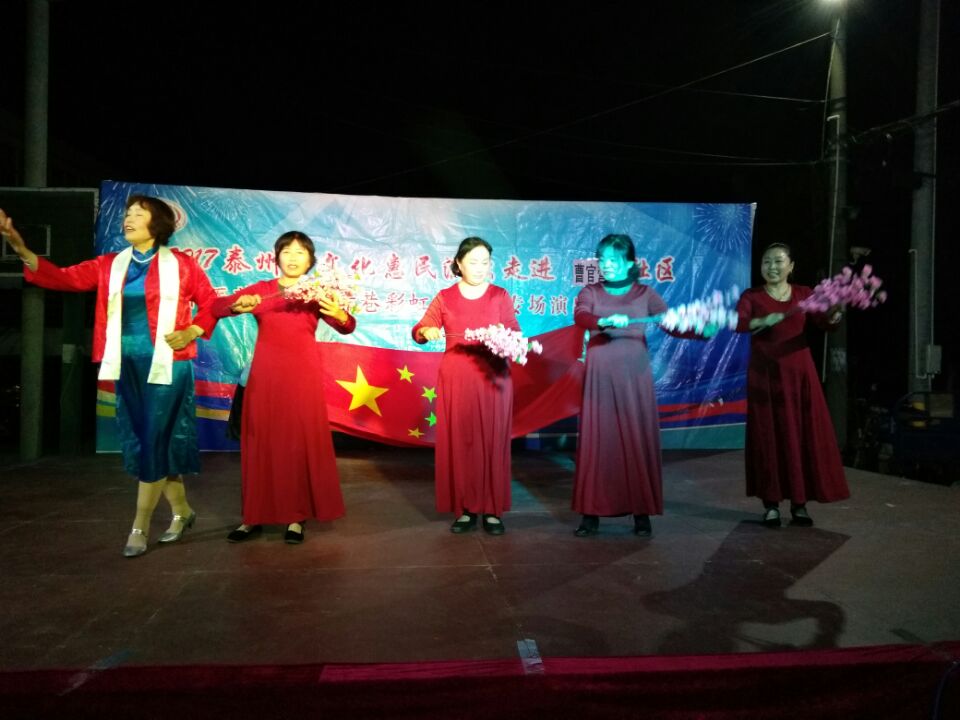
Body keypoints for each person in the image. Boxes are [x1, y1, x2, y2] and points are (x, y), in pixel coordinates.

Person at [0, 196, 219, 557]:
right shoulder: (109, 265)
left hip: (167, 365)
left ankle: (139, 526)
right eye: (127, 213)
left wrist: (192, 330)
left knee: (153, 440)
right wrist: (19, 247)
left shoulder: (182, 265)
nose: (128, 219)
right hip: (127, 366)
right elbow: (63, 278)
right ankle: (182, 513)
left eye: (138, 214)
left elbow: (211, 303)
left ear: (157, 223)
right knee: (151, 443)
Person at [212, 231, 355, 544]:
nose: (293, 257)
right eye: (287, 251)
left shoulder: (316, 290)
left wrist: (340, 314)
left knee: (296, 444)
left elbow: (347, 326)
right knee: (260, 441)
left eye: (301, 252)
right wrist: (237, 305)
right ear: (276, 256)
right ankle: (253, 517)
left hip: (302, 375)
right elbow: (217, 307)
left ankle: (296, 517)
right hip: (265, 375)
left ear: (310, 260)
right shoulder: (263, 289)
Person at [571, 234, 711, 538]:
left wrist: (701, 329)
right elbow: (581, 316)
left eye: (614, 260)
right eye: (602, 259)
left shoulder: (645, 294)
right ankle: (590, 512)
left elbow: (671, 323)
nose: (606, 265)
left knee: (635, 439)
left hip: (634, 378)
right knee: (599, 442)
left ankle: (641, 511)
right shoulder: (590, 292)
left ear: (629, 263)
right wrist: (605, 321)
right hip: (599, 377)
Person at [735, 242, 850, 527]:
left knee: (800, 436)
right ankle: (771, 504)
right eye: (766, 262)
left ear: (791, 266)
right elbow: (739, 323)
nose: (772, 267)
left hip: (800, 377)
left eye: (778, 261)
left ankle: (800, 504)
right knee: (768, 438)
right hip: (765, 377)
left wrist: (836, 312)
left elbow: (825, 322)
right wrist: (764, 319)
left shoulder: (804, 294)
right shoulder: (752, 296)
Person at [413, 237, 520, 535]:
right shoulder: (445, 297)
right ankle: (465, 509)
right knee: (461, 442)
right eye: (473, 262)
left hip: (493, 377)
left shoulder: (499, 296)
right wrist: (427, 330)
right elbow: (419, 330)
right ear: (459, 264)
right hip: (457, 378)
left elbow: (515, 332)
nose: (480, 268)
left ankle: (493, 510)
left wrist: (504, 336)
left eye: (485, 262)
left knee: (493, 441)